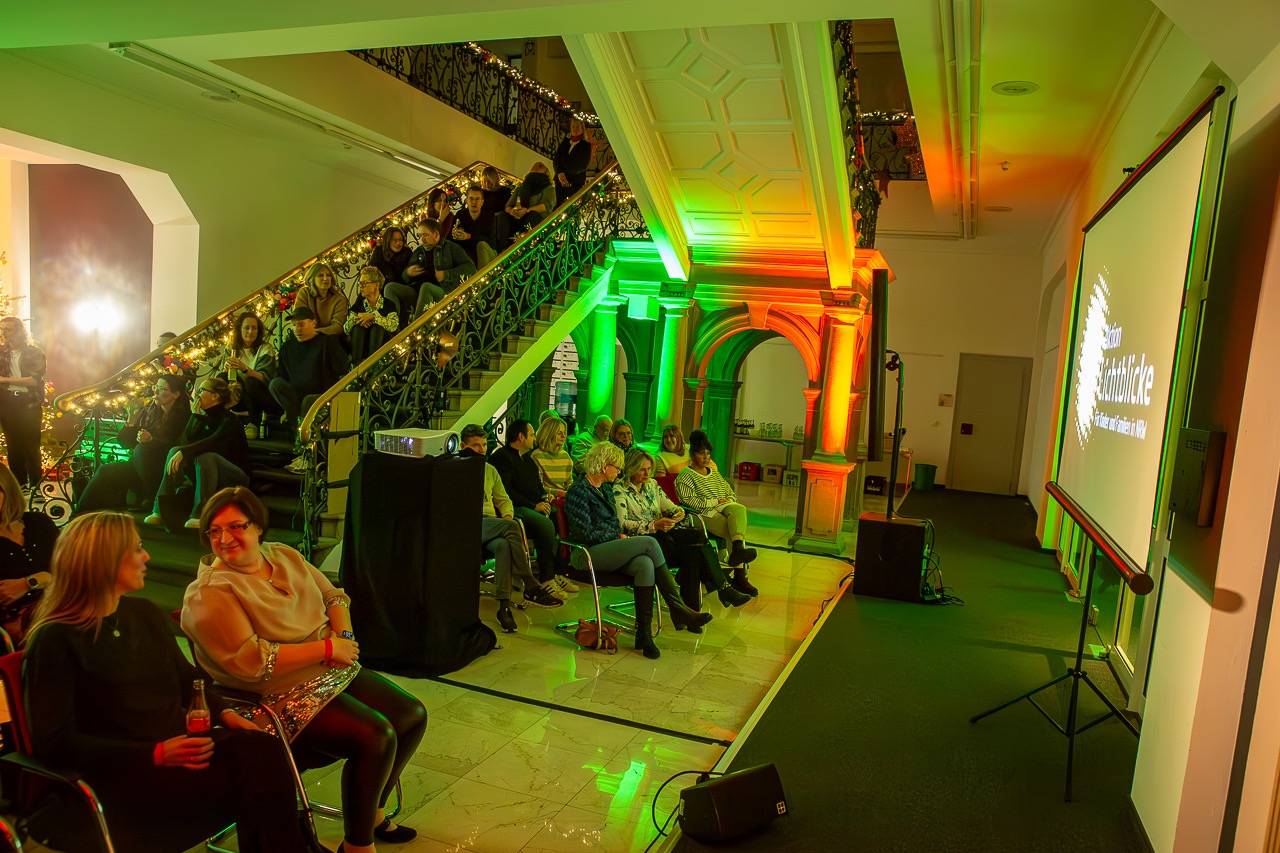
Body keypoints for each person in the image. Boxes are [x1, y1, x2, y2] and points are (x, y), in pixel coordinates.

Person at [23, 511, 312, 852]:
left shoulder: (142, 613)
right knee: (256, 779)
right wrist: (154, 754)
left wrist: (225, 713)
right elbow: (55, 742)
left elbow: (189, 679)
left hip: (176, 753)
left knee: (261, 751)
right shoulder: (56, 639)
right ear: (104, 561)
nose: (146, 556)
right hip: (119, 774)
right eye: (137, 548)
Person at [181, 487, 426, 853]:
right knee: (376, 737)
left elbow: (334, 595)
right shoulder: (211, 591)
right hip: (275, 695)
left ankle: (371, 813)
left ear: (257, 526)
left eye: (236, 526)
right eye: (214, 531)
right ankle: (357, 845)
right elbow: (252, 662)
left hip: (328, 669)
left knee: (411, 716)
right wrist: (327, 648)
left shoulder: (282, 555)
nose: (225, 538)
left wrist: (343, 637)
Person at [565, 442, 710, 659]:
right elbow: (585, 533)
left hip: (607, 547)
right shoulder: (578, 491)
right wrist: (616, 535)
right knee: (649, 543)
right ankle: (678, 608)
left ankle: (644, 634)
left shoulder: (605, 488)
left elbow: (615, 523)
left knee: (645, 564)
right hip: (586, 553)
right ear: (604, 466)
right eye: (617, 467)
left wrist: (615, 533)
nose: (619, 472)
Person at [615, 449, 751, 617]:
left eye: (649, 469)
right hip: (643, 541)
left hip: (665, 534)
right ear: (631, 468)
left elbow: (671, 507)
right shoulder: (619, 490)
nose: (647, 473)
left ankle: (693, 612)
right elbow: (622, 524)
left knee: (695, 546)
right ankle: (722, 589)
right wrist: (653, 525)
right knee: (694, 547)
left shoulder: (652, 485)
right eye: (642, 469)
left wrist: (678, 513)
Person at [459, 424, 562, 633]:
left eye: (484, 445)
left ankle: (503, 607)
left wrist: (506, 517)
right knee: (512, 527)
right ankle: (529, 583)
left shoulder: (490, 470)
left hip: (491, 525)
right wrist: (507, 523)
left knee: (503, 545)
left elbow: (504, 499)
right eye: (476, 446)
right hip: (466, 525)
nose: (481, 450)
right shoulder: (454, 469)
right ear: (463, 446)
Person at [146, 376, 250, 531]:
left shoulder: (230, 419)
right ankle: (158, 509)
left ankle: (199, 513)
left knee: (205, 456)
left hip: (233, 474)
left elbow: (213, 442)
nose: (197, 394)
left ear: (215, 396)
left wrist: (185, 452)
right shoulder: (201, 416)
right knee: (174, 450)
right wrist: (194, 417)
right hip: (206, 471)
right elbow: (184, 442)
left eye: (202, 390)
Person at [489, 419, 576, 598]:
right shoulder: (502, 457)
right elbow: (506, 491)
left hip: (530, 505)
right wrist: (533, 505)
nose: (535, 438)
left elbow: (537, 487)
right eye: (532, 434)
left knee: (558, 515)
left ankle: (557, 571)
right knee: (544, 524)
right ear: (521, 437)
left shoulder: (527, 459)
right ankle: (546, 578)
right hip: (513, 508)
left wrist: (544, 498)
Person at [75, 374, 188, 513]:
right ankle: (78, 513)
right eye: (156, 387)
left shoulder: (183, 417)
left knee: (142, 449)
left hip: (164, 467)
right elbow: (124, 443)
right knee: (106, 470)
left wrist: (151, 440)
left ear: (176, 394)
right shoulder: (151, 412)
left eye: (163, 389)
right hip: (141, 467)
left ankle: (152, 498)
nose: (156, 392)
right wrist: (131, 420)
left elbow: (178, 445)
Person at [675, 430, 759, 597]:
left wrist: (727, 500)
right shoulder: (685, 476)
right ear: (692, 454)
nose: (706, 457)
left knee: (740, 509)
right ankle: (740, 575)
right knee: (733, 529)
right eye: (701, 454)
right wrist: (715, 502)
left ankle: (737, 553)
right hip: (702, 513)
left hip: (723, 507)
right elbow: (688, 501)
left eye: (708, 454)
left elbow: (729, 492)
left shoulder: (713, 473)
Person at [270, 305, 351, 433]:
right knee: (275, 384)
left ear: (313, 323)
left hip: (321, 394)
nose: (297, 329)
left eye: (301, 324)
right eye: (294, 325)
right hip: (296, 395)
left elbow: (342, 370)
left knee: (308, 401)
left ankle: (301, 431)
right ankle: (299, 426)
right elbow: (281, 374)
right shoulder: (287, 348)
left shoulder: (327, 343)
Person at [0, 460, 57, 644]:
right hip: (14, 630)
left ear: (7, 490)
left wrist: (32, 581)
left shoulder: (38, 523)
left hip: (58, 611)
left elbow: (72, 571)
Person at [0, 316, 46, 490]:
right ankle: (20, 486)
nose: (4, 333)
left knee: (31, 445)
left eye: (8, 329)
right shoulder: (1, 352)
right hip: (7, 403)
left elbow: (33, 381)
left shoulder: (34, 353)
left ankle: (36, 487)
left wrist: (4, 379)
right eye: (2, 329)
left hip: (28, 403)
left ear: (19, 331)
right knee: (13, 446)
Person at [215, 312, 276, 436]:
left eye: (254, 328)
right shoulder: (231, 348)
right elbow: (226, 376)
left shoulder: (265, 349)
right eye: (247, 328)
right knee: (221, 378)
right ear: (240, 329)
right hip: (239, 392)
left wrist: (245, 369)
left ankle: (252, 422)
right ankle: (219, 420)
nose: (250, 331)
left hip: (259, 394)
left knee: (251, 381)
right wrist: (226, 369)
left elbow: (266, 378)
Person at [345, 267, 400, 364]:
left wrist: (374, 317)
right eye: (360, 283)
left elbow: (393, 326)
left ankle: (373, 367)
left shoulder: (389, 305)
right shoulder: (358, 304)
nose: (361, 286)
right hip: (361, 350)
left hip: (382, 351)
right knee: (358, 328)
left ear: (376, 285)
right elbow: (346, 328)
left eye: (364, 283)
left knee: (377, 328)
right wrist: (359, 319)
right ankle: (356, 367)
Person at [495, 162, 555, 250]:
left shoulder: (549, 189)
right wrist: (512, 211)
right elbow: (508, 206)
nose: (535, 178)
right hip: (518, 217)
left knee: (532, 215)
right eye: (533, 174)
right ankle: (502, 249)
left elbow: (545, 206)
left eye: (539, 175)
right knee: (502, 216)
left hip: (535, 220)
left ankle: (526, 248)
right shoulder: (522, 187)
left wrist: (526, 210)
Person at [419, 218, 476, 294]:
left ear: (436, 234)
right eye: (420, 236)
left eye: (425, 235)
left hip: (448, 292)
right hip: (427, 289)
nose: (422, 239)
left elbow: (470, 268)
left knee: (426, 287)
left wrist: (446, 275)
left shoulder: (450, 247)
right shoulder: (420, 252)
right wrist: (408, 273)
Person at [294, 261, 349, 338]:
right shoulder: (305, 292)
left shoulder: (339, 298)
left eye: (328, 275)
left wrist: (315, 332)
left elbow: (338, 327)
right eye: (320, 275)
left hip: (329, 337)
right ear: (312, 278)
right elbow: (299, 318)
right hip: (306, 335)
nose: (325, 278)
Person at [451, 184, 497, 268]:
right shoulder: (460, 215)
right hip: (469, 253)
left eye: (477, 199)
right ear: (466, 200)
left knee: (481, 245)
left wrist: (469, 236)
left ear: (482, 202)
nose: (474, 202)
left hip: (488, 252)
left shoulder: (489, 216)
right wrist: (455, 235)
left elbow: (491, 241)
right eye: (471, 198)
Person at [553, 118, 593, 207]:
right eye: (573, 126)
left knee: (569, 208)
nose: (575, 129)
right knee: (557, 207)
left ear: (582, 129)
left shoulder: (585, 146)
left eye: (577, 127)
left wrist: (563, 173)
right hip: (559, 182)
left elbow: (580, 166)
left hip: (574, 184)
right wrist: (560, 173)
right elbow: (556, 160)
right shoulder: (565, 142)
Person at [531, 416, 574, 498]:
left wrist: (571, 491)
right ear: (549, 434)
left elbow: (569, 483)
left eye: (564, 432)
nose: (563, 436)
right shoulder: (537, 455)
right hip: (545, 498)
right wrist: (559, 493)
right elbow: (538, 487)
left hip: (564, 498)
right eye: (559, 433)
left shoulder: (565, 456)